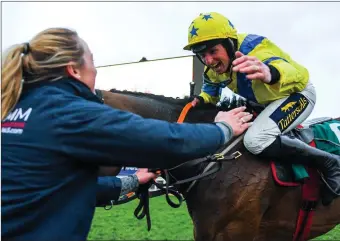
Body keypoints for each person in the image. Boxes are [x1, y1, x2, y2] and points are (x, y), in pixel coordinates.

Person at [1, 27, 253, 241]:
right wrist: (223, 128)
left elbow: (67, 188)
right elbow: (166, 140)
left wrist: (132, 182)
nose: (95, 70)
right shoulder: (69, 112)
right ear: (73, 70)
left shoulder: (15, 109)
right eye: (92, 60)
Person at [184, 12, 340, 205]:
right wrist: (199, 99)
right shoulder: (213, 69)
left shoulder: (255, 48)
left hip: (297, 95)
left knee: (255, 140)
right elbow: (210, 90)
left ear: (230, 43)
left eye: (213, 51)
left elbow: (299, 73)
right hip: (265, 103)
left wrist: (271, 72)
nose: (208, 61)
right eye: (202, 55)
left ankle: (330, 162)